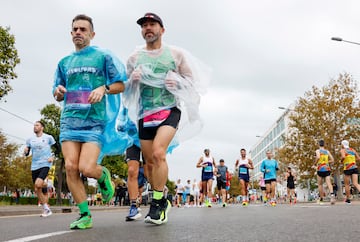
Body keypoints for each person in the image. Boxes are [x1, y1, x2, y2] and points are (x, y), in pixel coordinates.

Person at [125, 12, 209, 225]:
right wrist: (132, 80)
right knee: (149, 164)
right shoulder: (134, 58)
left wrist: (177, 81)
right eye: (144, 26)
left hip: (169, 111)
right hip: (145, 115)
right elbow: (125, 90)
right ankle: (161, 199)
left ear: (162, 30)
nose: (148, 28)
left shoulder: (175, 54)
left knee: (159, 153)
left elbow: (193, 82)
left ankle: (157, 203)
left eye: (152, 24)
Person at [52, 14, 127, 229]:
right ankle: (85, 215)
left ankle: (103, 175)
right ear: (70, 33)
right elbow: (57, 91)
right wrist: (58, 92)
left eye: (83, 29)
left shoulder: (102, 57)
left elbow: (120, 84)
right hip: (69, 121)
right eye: (75, 29)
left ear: (92, 34)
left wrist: (103, 88)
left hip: (94, 122)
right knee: (71, 167)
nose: (78, 32)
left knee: (86, 167)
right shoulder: (64, 63)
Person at [24, 121, 55, 217]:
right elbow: (27, 152)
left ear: (42, 128)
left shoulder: (48, 137)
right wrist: (25, 152)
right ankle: (46, 209)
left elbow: (56, 148)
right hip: (34, 166)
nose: (35, 127)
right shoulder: (30, 139)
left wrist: (52, 157)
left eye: (37, 125)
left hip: (45, 164)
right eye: (34, 125)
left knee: (38, 184)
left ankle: (45, 185)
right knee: (37, 189)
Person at [313, 139, 336, 205]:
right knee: (329, 183)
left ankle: (321, 198)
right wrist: (326, 162)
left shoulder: (318, 150)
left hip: (320, 169)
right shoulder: (327, 151)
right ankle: (332, 195)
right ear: (324, 144)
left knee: (320, 184)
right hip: (327, 168)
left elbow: (318, 157)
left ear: (318, 144)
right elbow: (332, 160)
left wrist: (314, 163)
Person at [340, 140, 360, 204]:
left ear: (343, 145)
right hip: (354, 167)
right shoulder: (353, 150)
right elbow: (359, 158)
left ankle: (348, 199)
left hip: (347, 168)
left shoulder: (343, 150)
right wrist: (353, 160)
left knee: (347, 184)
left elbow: (343, 157)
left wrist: (341, 161)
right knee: (355, 183)